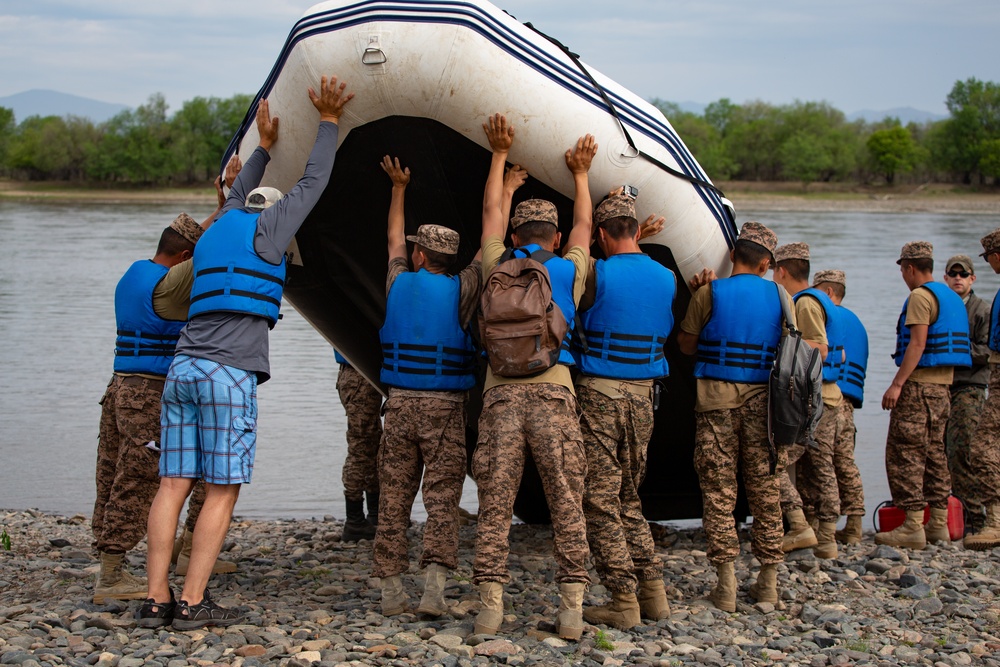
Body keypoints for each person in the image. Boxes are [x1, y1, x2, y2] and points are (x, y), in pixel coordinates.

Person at [140, 74, 355, 630]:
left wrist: (261, 146)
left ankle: (156, 598)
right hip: (228, 375)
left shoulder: (215, 229)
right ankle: (193, 603)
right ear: (271, 211)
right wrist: (328, 120)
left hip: (181, 369)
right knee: (221, 490)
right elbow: (315, 179)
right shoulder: (270, 228)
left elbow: (237, 191)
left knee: (171, 484)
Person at [93, 162, 240, 605]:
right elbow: (206, 252)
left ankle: (181, 551)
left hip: (120, 386)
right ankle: (113, 575)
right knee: (141, 477)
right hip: (148, 392)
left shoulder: (138, 271)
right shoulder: (171, 286)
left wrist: (220, 205)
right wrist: (236, 202)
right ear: (182, 260)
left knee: (111, 472)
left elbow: (196, 239)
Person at [472, 113, 596, 640]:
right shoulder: (567, 269)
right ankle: (570, 613)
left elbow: (488, 214)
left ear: (516, 234)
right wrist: (582, 175)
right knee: (567, 501)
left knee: (495, 506)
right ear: (557, 235)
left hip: (500, 395)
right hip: (555, 393)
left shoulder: (496, 260)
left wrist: (500, 157)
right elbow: (588, 228)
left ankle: (489, 610)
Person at [373, 156, 482, 617]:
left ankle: (391, 592)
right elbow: (488, 248)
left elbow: (393, 237)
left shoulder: (397, 280)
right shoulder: (464, 288)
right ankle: (434, 591)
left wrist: (399, 187)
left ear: (420, 256)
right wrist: (506, 185)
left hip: (398, 405)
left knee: (394, 497)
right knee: (442, 500)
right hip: (444, 408)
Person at [571, 191, 676, 630]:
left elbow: (572, 276)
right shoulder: (668, 276)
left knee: (600, 499)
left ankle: (622, 599)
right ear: (638, 231)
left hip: (600, 394)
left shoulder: (596, 272)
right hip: (644, 397)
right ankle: (654, 593)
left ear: (599, 235)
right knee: (630, 495)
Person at [676, 221, 792, 613]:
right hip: (764, 406)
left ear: (732, 256)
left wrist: (700, 303)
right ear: (765, 264)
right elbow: (792, 352)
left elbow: (687, 346)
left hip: (715, 403)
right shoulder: (780, 295)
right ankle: (768, 583)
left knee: (719, 492)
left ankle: (725, 585)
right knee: (765, 492)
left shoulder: (709, 292)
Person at [877, 241, 971, 550]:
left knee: (905, 453)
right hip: (944, 388)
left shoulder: (920, 296)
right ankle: (939, 524)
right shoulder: (953, 297)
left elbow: (917, 344)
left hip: (918, 387)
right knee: (934, 454)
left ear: (910, 268)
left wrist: (897, 384)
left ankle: (912, 525)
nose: (904, 276)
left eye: (903, 270)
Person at [771, 243, 845, 559]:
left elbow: (820, 347)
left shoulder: (805, 304)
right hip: (818, 398)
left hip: (813, 402)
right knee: (813, 468)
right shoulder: (806, 301)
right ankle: (816, 533)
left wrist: (783, 348)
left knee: (776, 464)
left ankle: (813, 531)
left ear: (782, 271)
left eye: (775, 271)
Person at [795, 270, 868, 544]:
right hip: (847, 399)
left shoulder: (828, 318)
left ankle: (816, 522)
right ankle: (854, 523)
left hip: (826, 396)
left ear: (827, 292)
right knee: (845, 460)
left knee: (817, 461)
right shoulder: (855, 321)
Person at [941, 255, 991, 533]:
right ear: (946, 278)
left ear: (972, 278)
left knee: (963, 451)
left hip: (970, 388)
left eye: (964, 274)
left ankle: (976, 516)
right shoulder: (941, 307)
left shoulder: (982, 309)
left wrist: (955, 352)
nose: (958, 278)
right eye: (953, 274)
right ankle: (949, 515)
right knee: (940, 453)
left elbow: (988, 351)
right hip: (942, 388)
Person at [963, 229, 1000, 550]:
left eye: (988, 258)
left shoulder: (983, 307)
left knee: (983, 446)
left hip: (993, 375)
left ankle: (995, 521)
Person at [334, 349, 382, 541]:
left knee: (373, 443)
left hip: (360, 371)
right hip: (358, 374)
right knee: (360, 448)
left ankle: (375, 515)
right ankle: (354, 520)